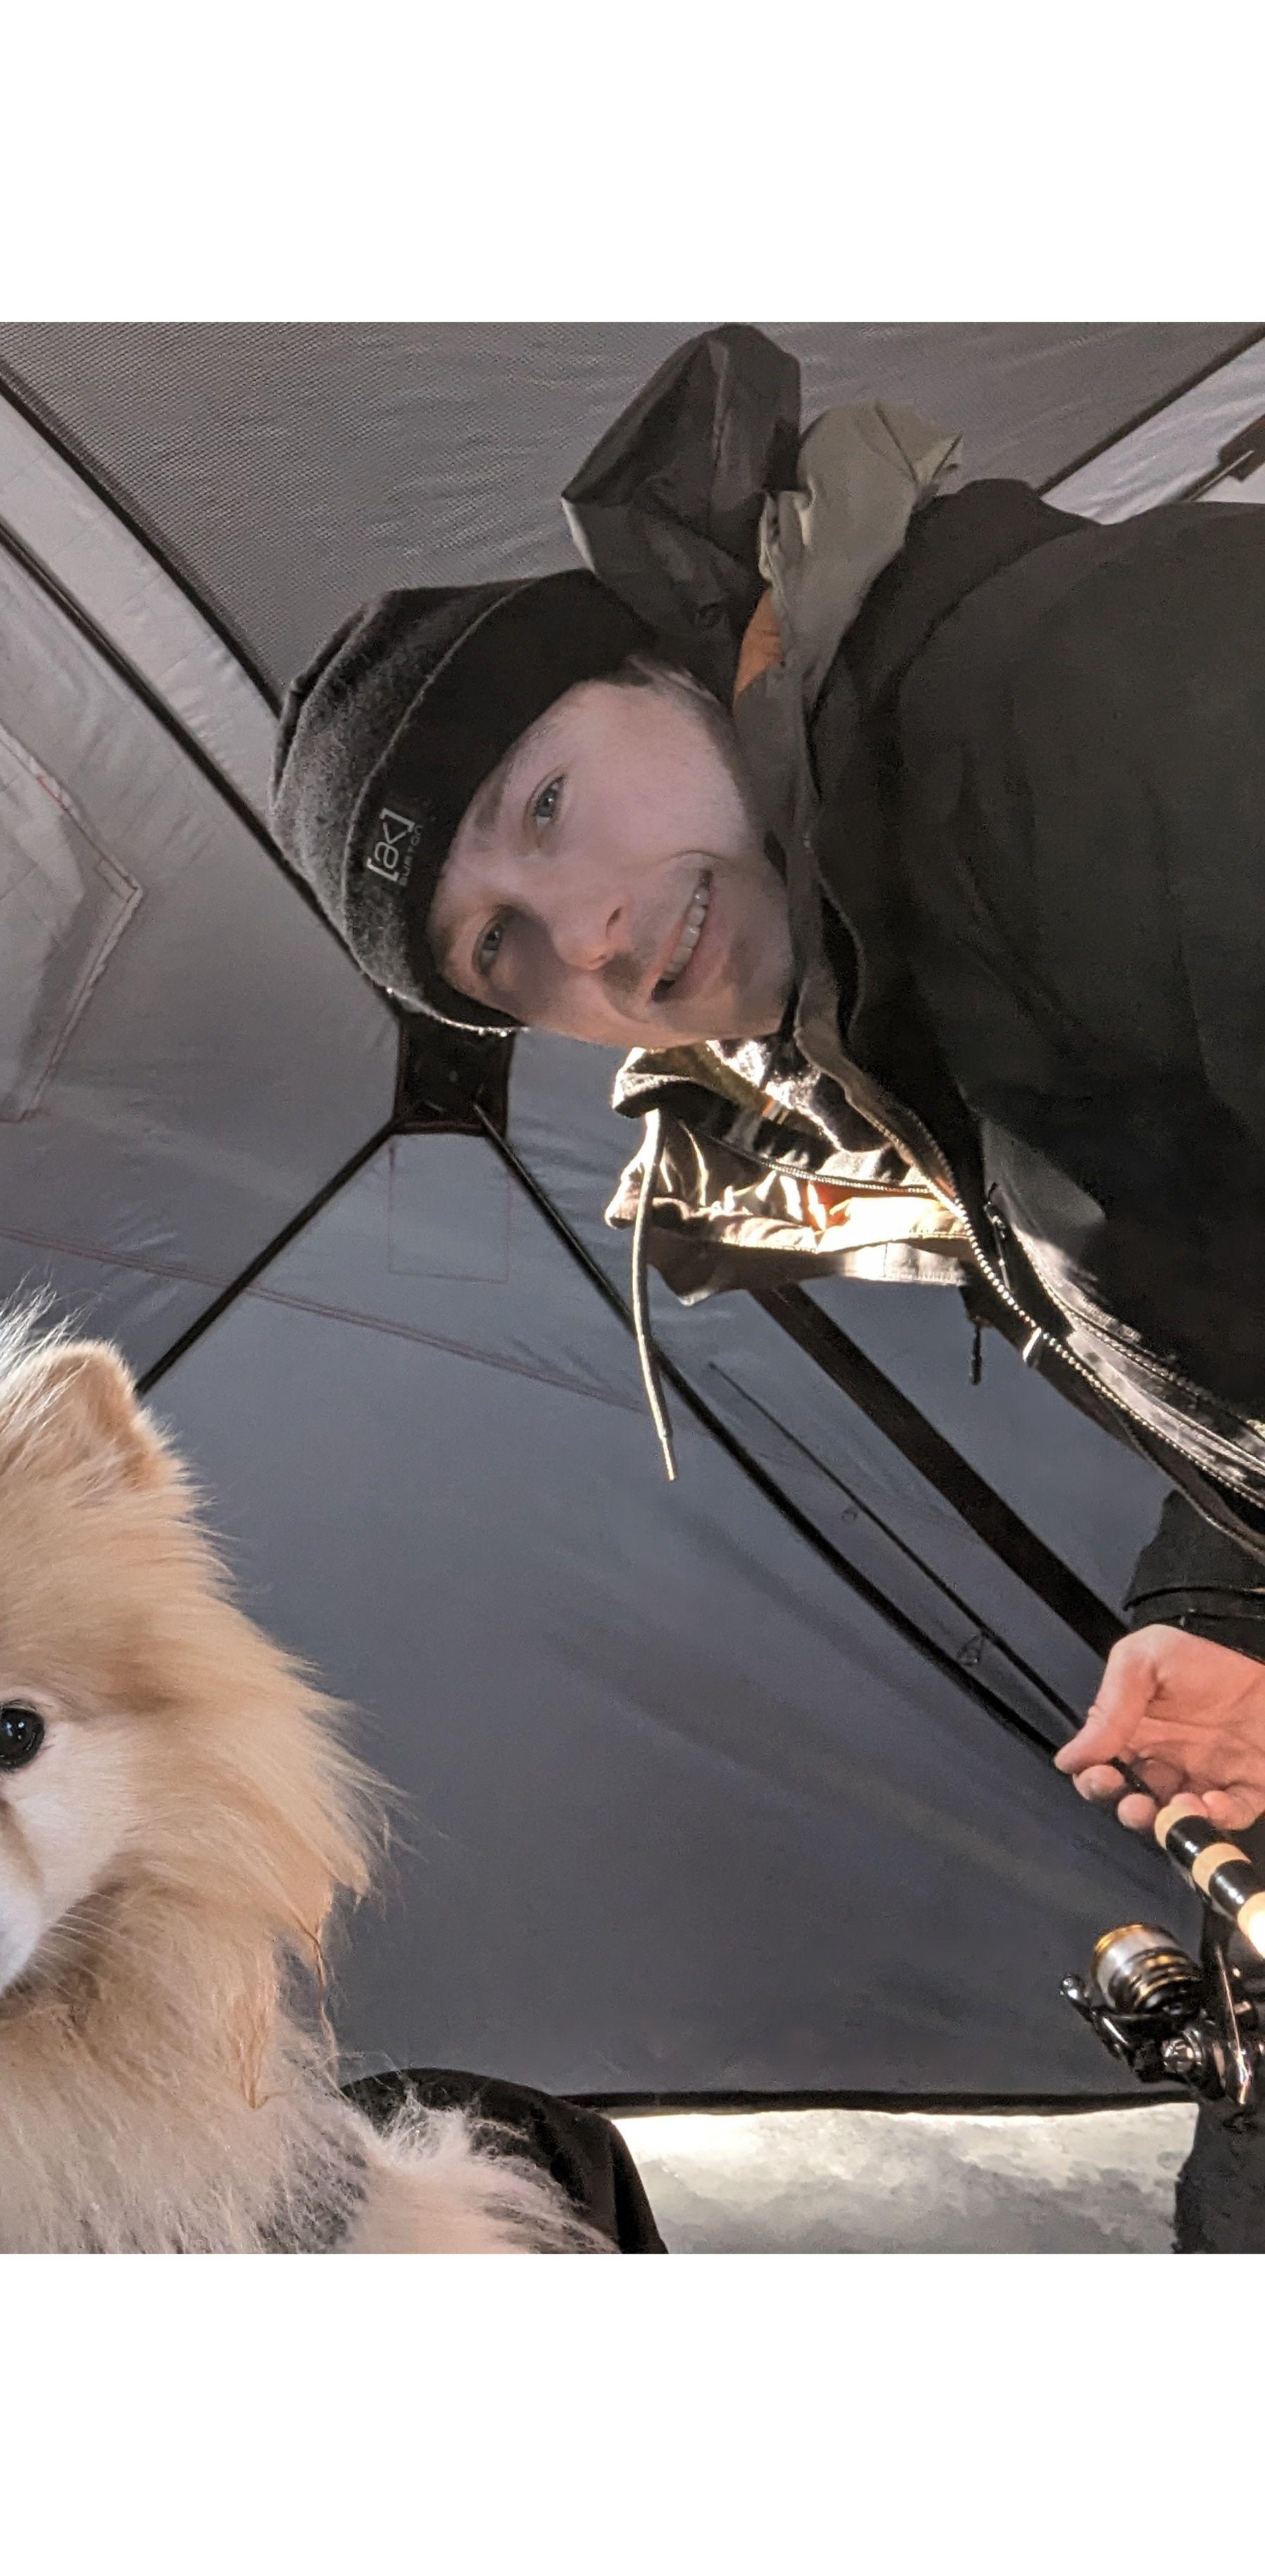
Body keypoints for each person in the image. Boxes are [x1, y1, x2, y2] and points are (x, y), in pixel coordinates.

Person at [270, 323, 1265, 2248]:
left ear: (664, 660)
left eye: (548, 809)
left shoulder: (1072, 705)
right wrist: (1222, 1599)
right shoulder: (894, 966)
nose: (604, 948)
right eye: (507, 958)